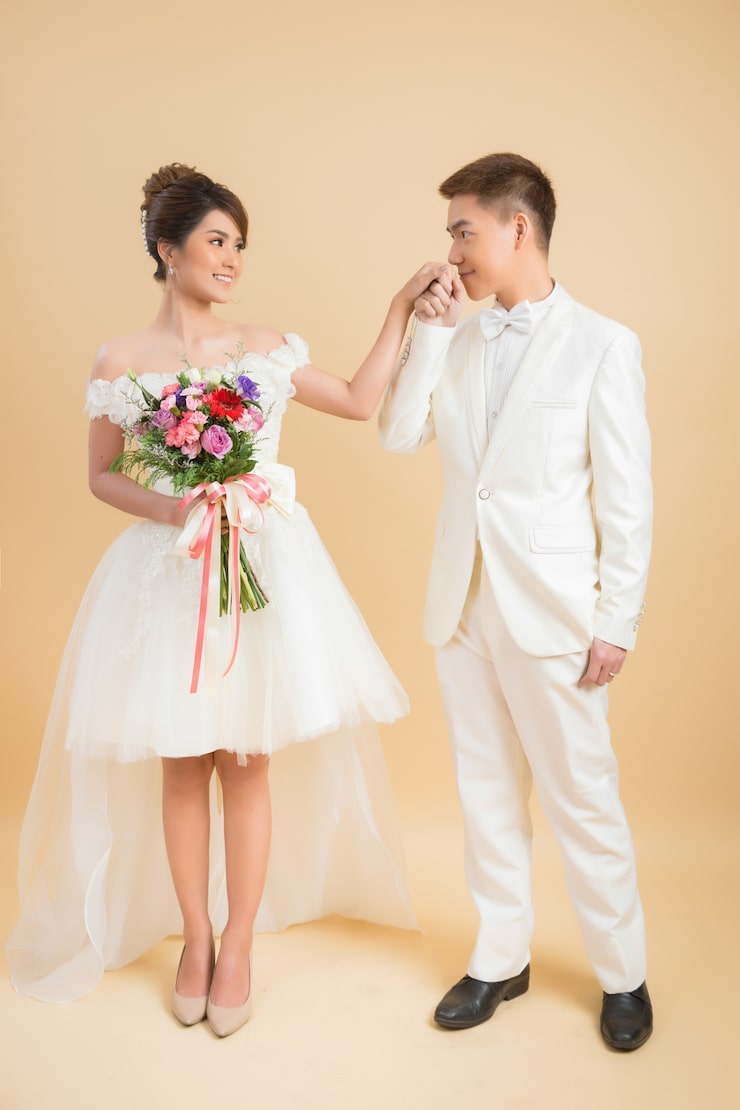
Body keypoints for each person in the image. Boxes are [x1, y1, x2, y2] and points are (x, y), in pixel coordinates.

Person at [7, 163, 442, 1037]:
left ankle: (238, 943)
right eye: (216, 240)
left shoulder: (265, 346)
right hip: (172, 571)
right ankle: (196, 939)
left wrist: (401, 309)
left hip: (262, 570)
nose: (233, 257)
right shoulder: (120, 361)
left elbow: (358, 401)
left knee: (246, 761)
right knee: (182, 760)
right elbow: (100, 474)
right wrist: (174, 506)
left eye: (240, 243)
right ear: (168, 251)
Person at [379, 153, 653, 1051]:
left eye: (463, 230)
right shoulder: (458, 340)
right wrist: (428, 334)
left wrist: (615, 620)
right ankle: (501, 957)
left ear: (517, 227)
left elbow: (627, 500)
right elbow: (398, 434)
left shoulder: (604, 344)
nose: (451, 250)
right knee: (485, 791)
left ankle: (623, 976)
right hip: (463, 606)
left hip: (556, 613)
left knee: (584, 799)